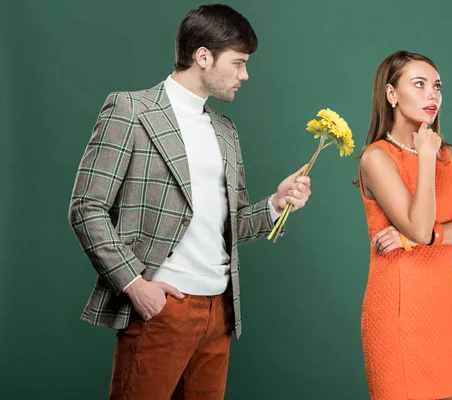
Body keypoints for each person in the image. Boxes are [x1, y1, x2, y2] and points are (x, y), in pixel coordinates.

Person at [67, 4, 311, 399]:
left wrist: (276, 205)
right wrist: (134, 284)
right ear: (203, 57)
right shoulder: (131, 111)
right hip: (161, 309)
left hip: (220, 312)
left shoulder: (226, 130)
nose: (245, 75)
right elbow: (86, 207)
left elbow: (231, 227)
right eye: (238, 63)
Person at [358, 50, 452, 400]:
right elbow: (419, 226)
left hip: (448, 313)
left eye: (437, 86)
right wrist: (426, 158)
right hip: (400, 316)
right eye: (419, 84)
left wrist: (422, 237)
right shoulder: (376, 157)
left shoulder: (449, 155)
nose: (433, 95)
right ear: (392, 94)